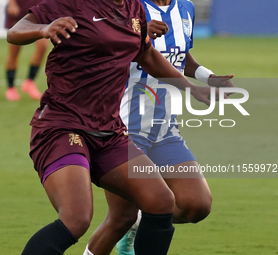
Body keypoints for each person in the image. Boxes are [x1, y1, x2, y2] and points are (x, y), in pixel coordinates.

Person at [6, 0, 222, 254]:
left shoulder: (133, 8)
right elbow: (16, 31)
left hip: (109, 132)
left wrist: (192, 88)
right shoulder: (74, 3)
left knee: (161, 202)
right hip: (63, 126)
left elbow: (147, 54)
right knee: (77, 219)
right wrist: (44, 29)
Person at [83, 0, 235, 255]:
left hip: (165, 130)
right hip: (123, 130)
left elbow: (179, 54)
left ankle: (143, 218)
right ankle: (135, 221)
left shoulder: (185, 8)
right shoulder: (129, 7)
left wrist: (207, 77)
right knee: (121, 218)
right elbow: (103, 43)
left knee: (196, 205)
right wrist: (134, 32)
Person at [4, 0, 49, 101]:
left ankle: (29, 82)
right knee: (14, 50)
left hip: (38, 9)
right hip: (19, 8)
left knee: (43, 46)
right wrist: (12, 3)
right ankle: (11, 88)